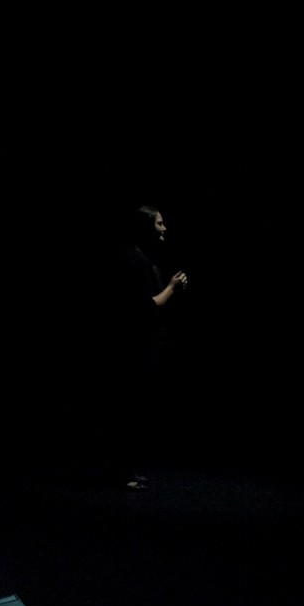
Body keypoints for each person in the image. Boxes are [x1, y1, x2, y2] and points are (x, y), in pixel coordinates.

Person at [113, 204, 189, 490]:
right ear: (146, 227)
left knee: (139, 407)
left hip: (148, 344)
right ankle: (122, 473)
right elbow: (146, 307)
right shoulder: (134, 260)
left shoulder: (144, 258)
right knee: (131, 407)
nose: (164, 228)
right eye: (159, 223)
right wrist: (172, 287)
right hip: (138, 346)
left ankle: (127, 469)